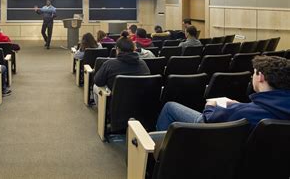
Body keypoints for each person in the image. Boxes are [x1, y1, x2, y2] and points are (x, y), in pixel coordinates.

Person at [156, 56, 290, 131]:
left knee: (169, 107)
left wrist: (211, 105)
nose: (251, 77)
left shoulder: (241, 112)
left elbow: (208, 119)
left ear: (260, 76)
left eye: (253, 73)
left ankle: (158, 156)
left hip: (216, 140)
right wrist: (242, 105)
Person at [93, 32, 150, 102]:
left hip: (115, 105)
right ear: (134, 48)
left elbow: (98, 81)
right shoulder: (143, 64)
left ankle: (102, 111)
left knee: (96, 86)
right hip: (139, 103)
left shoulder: (109, 64)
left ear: (117, 49)